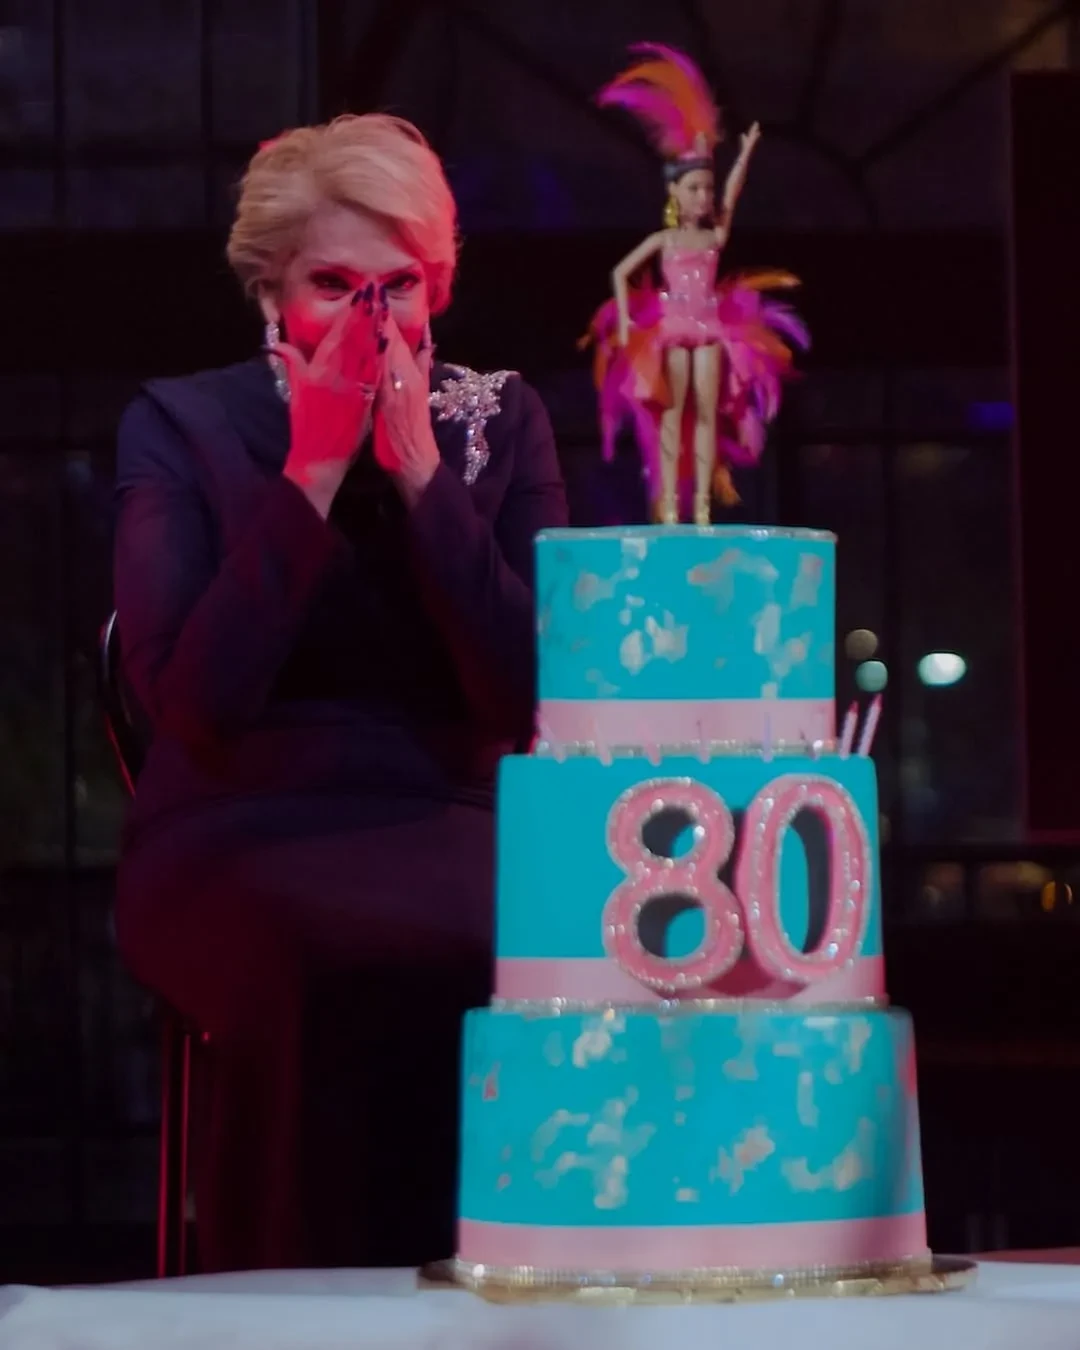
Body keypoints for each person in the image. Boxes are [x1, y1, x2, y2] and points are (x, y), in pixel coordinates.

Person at [112, 113, 568, 1273]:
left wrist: (421, 479)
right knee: (318, 957)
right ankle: (287, 1304)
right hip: (237, 817)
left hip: (454, 814)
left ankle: (506, 1302)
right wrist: (311, 473)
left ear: (437, 288)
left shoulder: (500, 420)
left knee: (531, 950)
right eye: (333, 285)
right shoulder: (180, 425)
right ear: (270, 288)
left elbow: (530, 696)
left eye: (398, 287)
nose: (374, 322)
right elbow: (192, 708)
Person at [580, 44, 809, 524]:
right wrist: (624, 322)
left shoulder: (712, 237)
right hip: (672, 328)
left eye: (706, 188)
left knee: (705, 414)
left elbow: (732, 195)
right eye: (694, 188)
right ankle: (668, 502)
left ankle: (701, 503)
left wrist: (744, 155)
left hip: (708, 328)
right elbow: (620, 272)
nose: (704, 196)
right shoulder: (666, 239)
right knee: (672, 413)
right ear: (675, 193)